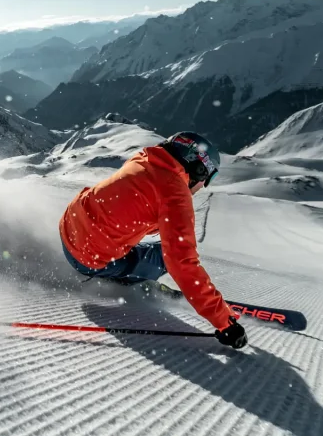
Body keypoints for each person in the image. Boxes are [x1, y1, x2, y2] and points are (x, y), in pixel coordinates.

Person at [59, 131, 247, 349]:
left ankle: (123, 265)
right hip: (88, 259)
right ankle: (127, 280)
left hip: (69, 228)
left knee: (146, 246)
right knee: (164, 257)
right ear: (198, 169)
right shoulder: (175, 194)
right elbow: (182, 264)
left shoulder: (144, 158)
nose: (204, 186)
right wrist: (225, 322)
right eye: (208, 178)